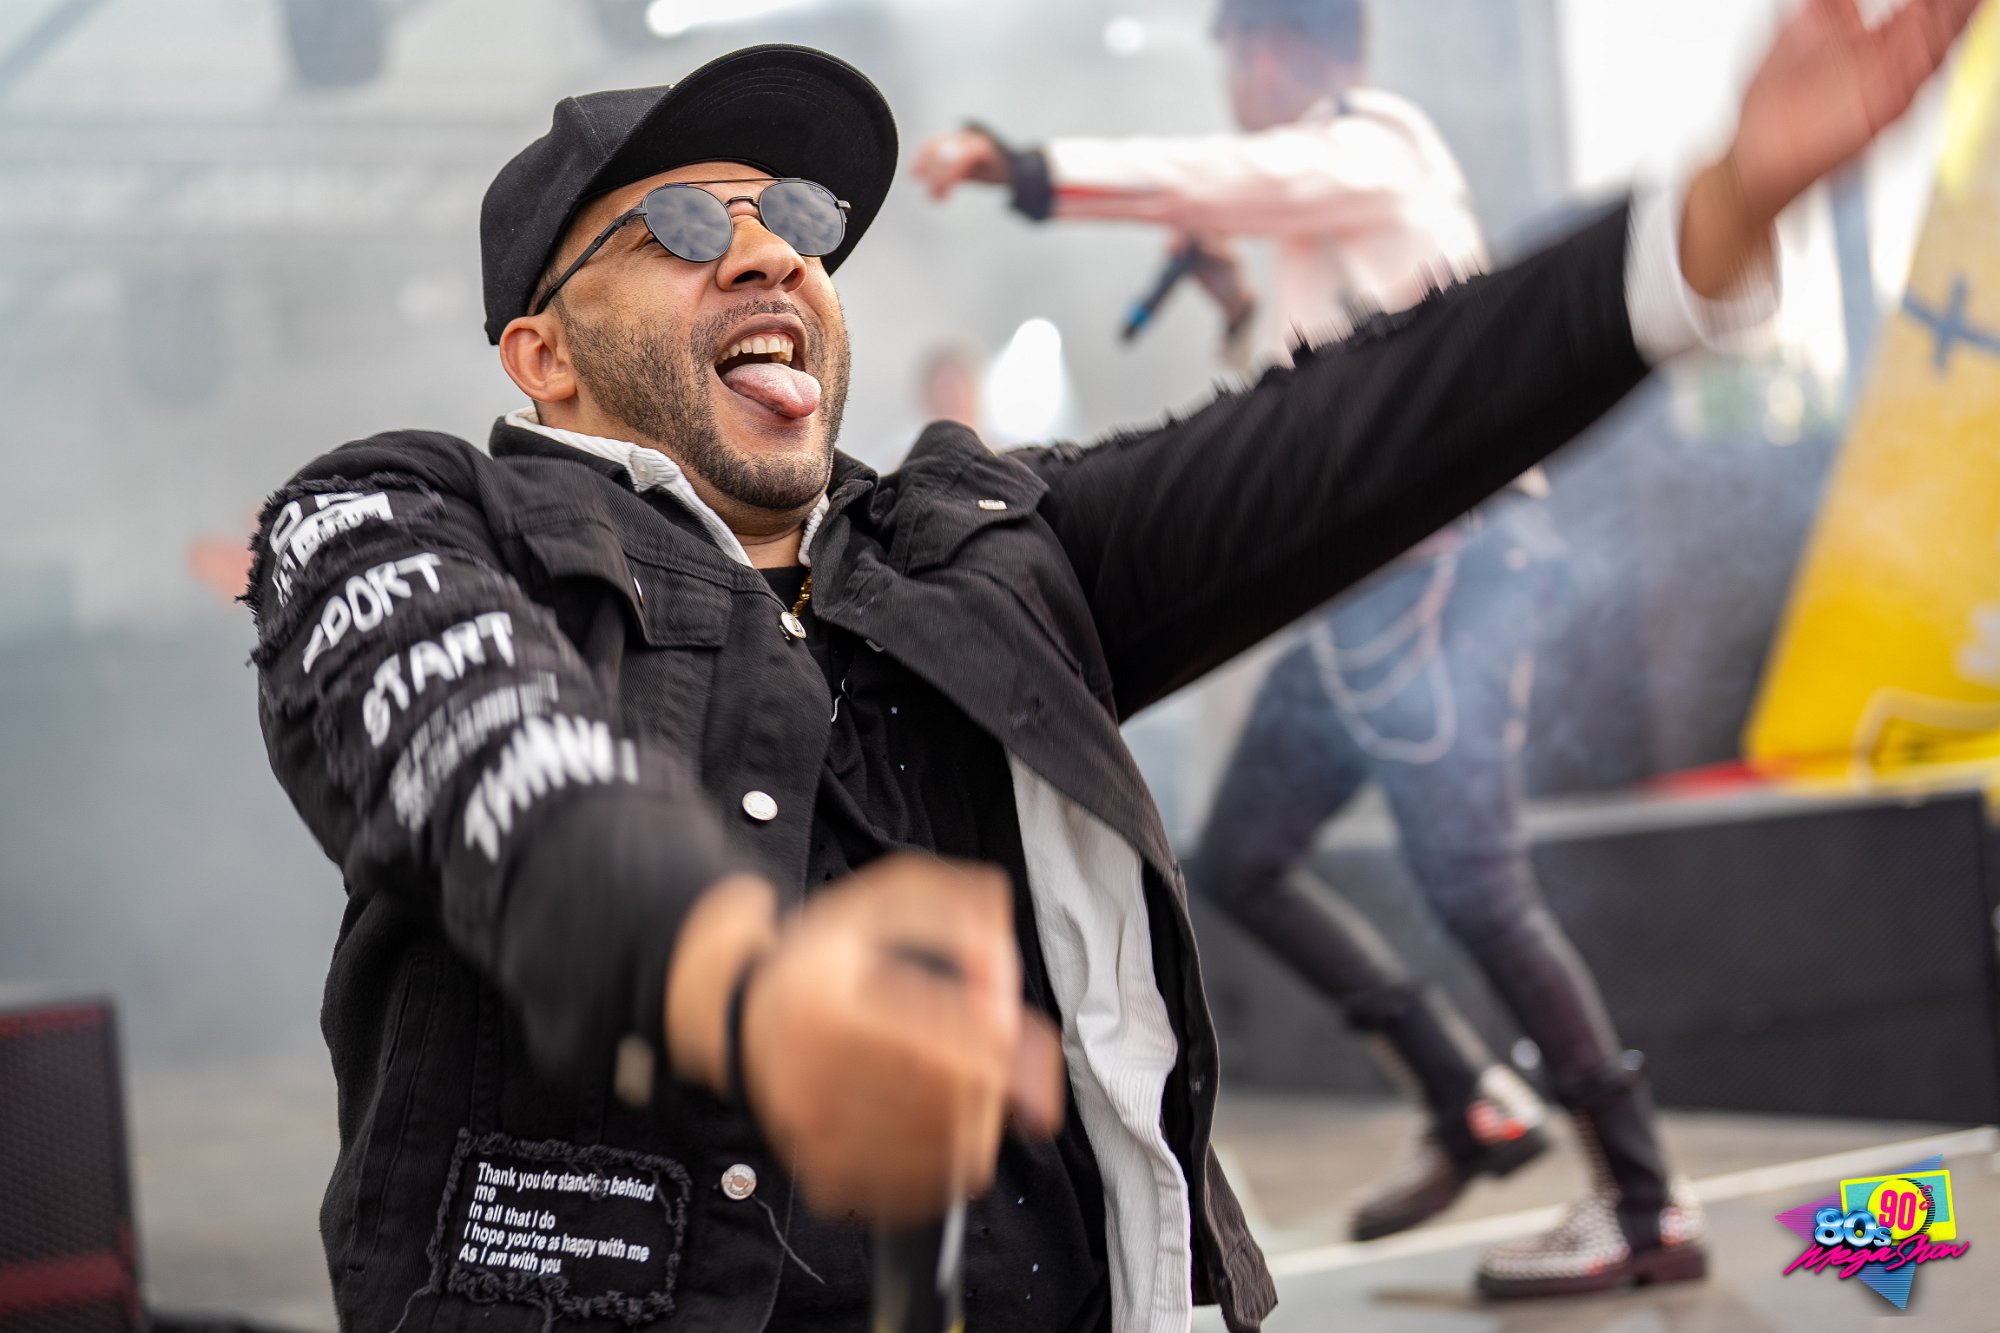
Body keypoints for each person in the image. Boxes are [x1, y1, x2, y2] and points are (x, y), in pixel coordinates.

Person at [243, 11, 1974, 1330]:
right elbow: (486, 748)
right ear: (542, 354)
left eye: (797, 217)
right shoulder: (408, 512)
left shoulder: (988, 548)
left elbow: (1346, 424)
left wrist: (1717, 212)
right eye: (685, 226)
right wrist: (746, 981)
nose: (771, 251)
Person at [910, 0, 1663, 1295]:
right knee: (1242, 856)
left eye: (1237, 58)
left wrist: (1026, 168)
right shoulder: (1339, 214)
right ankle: (1466, 1098)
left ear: (1279, 52)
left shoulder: (1375, 145)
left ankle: (1645, 1202)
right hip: (1373, 594)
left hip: (1454, 576)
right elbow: (1301, 399)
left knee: (1476, 883)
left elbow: (1217, 177)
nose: (1233, 85)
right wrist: (1232, 303)